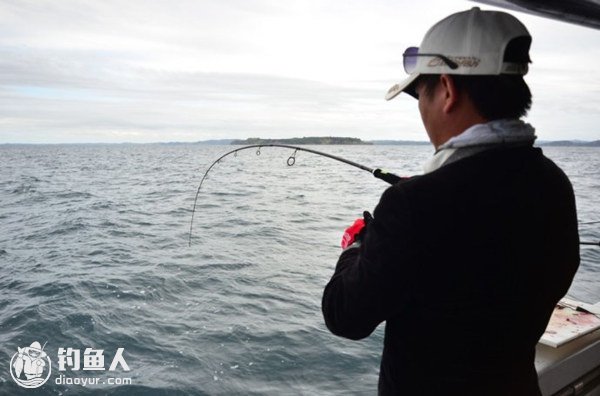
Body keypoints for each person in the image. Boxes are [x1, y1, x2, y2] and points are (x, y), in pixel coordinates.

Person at [322, 8, 580, 396]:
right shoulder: (554, 184)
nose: (421, 110)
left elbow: (345, 316)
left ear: (446, 89)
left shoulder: (411, 207)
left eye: (420, 94)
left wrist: (358, 245)